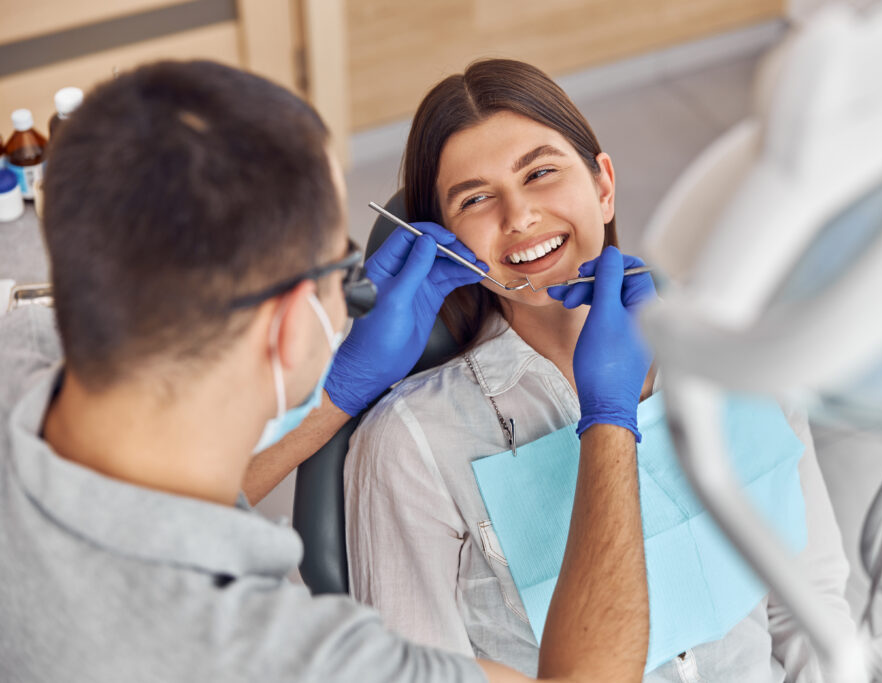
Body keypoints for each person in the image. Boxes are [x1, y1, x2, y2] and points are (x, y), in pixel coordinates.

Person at [0, 59, 653, 683]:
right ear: (290, 326)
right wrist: (610, 418)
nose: (518, 215)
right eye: (340, 269)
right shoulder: (290, 656)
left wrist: (340, 391)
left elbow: (151, 510)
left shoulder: (16, 357)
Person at [342, 58, 856, 682]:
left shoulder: (734, 352)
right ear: (441, 239)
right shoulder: (411, 442)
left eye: (541, 172)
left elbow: (809, 608)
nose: (521, 216)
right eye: (476, 198)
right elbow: (413, 672)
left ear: (603, 185)